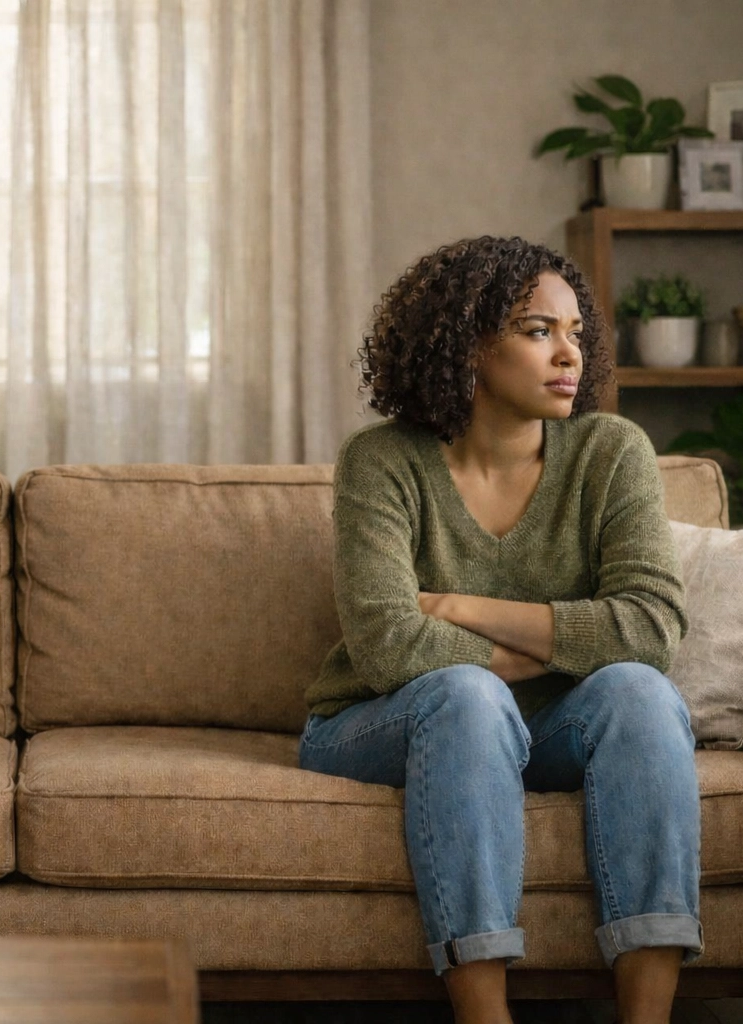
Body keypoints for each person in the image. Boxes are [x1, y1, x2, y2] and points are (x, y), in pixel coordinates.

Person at [299, 236, 699, 1024]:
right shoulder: (384, 462)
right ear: (470, 347)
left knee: (640, 692)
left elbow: (650, 627)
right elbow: (386, 646)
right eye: (537, 329)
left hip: (548, 724)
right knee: (466, 697)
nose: (568, 354)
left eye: (576, 332)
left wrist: (456, 606)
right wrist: (554, 644)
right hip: (378, 721)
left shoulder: (612, 453)